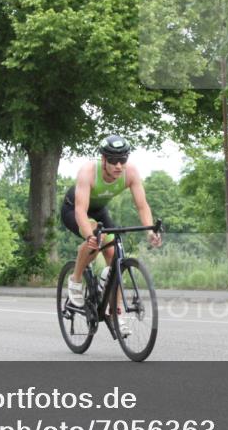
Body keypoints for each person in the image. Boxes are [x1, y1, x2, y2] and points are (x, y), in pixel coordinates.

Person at [61, 135, 162, 333]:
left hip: (100, 212)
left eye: (122, 160)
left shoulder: (130, 172)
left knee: (115, 257)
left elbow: (142, 206)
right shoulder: (88, 172)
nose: (118, 165)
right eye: (114, 160)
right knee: (96, 241)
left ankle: (115, 312)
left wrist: (150, 231)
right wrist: (90, 236)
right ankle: (75, 279)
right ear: (103, 159)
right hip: (74, 210)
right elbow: (81, 210)